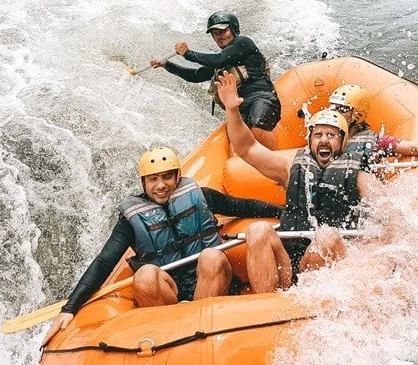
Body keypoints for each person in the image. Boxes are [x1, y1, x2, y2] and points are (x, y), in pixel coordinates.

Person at [41, 146, 282, 346]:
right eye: (153, 179)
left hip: (214, 281)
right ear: (143, 182)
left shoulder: (200, 195)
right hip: (171, 295)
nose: (161, 185)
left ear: (177, 177)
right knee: (144, 276)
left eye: (167, 177)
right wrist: (70, 307)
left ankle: (200, 334)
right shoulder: (131, 218)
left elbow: (244, 206)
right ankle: (173, 342)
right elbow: (105, 260)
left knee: (210, 256)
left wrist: (285, 212)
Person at [216, 71, 418, 294]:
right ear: (310, 141)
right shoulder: (289, 169)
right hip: (290, 259)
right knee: (257, 230)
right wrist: (232, 109)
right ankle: (266, 307)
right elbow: (247, 148)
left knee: (326, 236)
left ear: (344, 141)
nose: (324, 140)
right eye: (318, 135)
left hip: (332, 263)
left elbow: (391, 216)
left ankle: (308, 304)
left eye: (331, 135)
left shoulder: (360, 176)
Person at [150, 12, 281, 149]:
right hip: (238, 108)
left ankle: (274, 159)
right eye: (216, 34)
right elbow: (195, 75)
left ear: (233, 29)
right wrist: (166, 65)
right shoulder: (219, 64)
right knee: (236, 143)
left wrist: (188, 54)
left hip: (262, 97)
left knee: (257, 124)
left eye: (223, 31)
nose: (220, 36)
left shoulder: (243, 43)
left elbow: (219, 59)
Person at [328, 84, 418, 170]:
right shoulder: (323, 138)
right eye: (333, 108)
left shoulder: (375, 142)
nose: (335, 113)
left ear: (358, 115)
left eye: (342, 109)